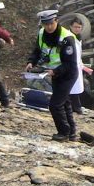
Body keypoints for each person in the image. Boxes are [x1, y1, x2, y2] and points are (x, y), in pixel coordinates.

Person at [25, 10, 79, 141]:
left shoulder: (66, 38)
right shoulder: (42, 33)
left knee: (55, 105)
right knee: (64, 103)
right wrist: (31, 62)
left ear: (56, 21)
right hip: (54, 72)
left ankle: (63, 132)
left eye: (51, 23)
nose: (49, 27)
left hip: (67, 74)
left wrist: (55, 71)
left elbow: (70, 63)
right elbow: (37, 50)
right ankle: (71, 133)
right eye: (46, 24)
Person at [69, 19, 86, 115]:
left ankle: (76, 107)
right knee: (70, 87)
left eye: (79, 27)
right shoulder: (67, 37)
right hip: (69, 65)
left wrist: (83, 66)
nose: (77, 29)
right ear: (71, 27)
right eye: (75, 27)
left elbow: (79, 55)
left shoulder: (79, 38)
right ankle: (75, 107)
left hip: (77, 65)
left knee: (76, 87)